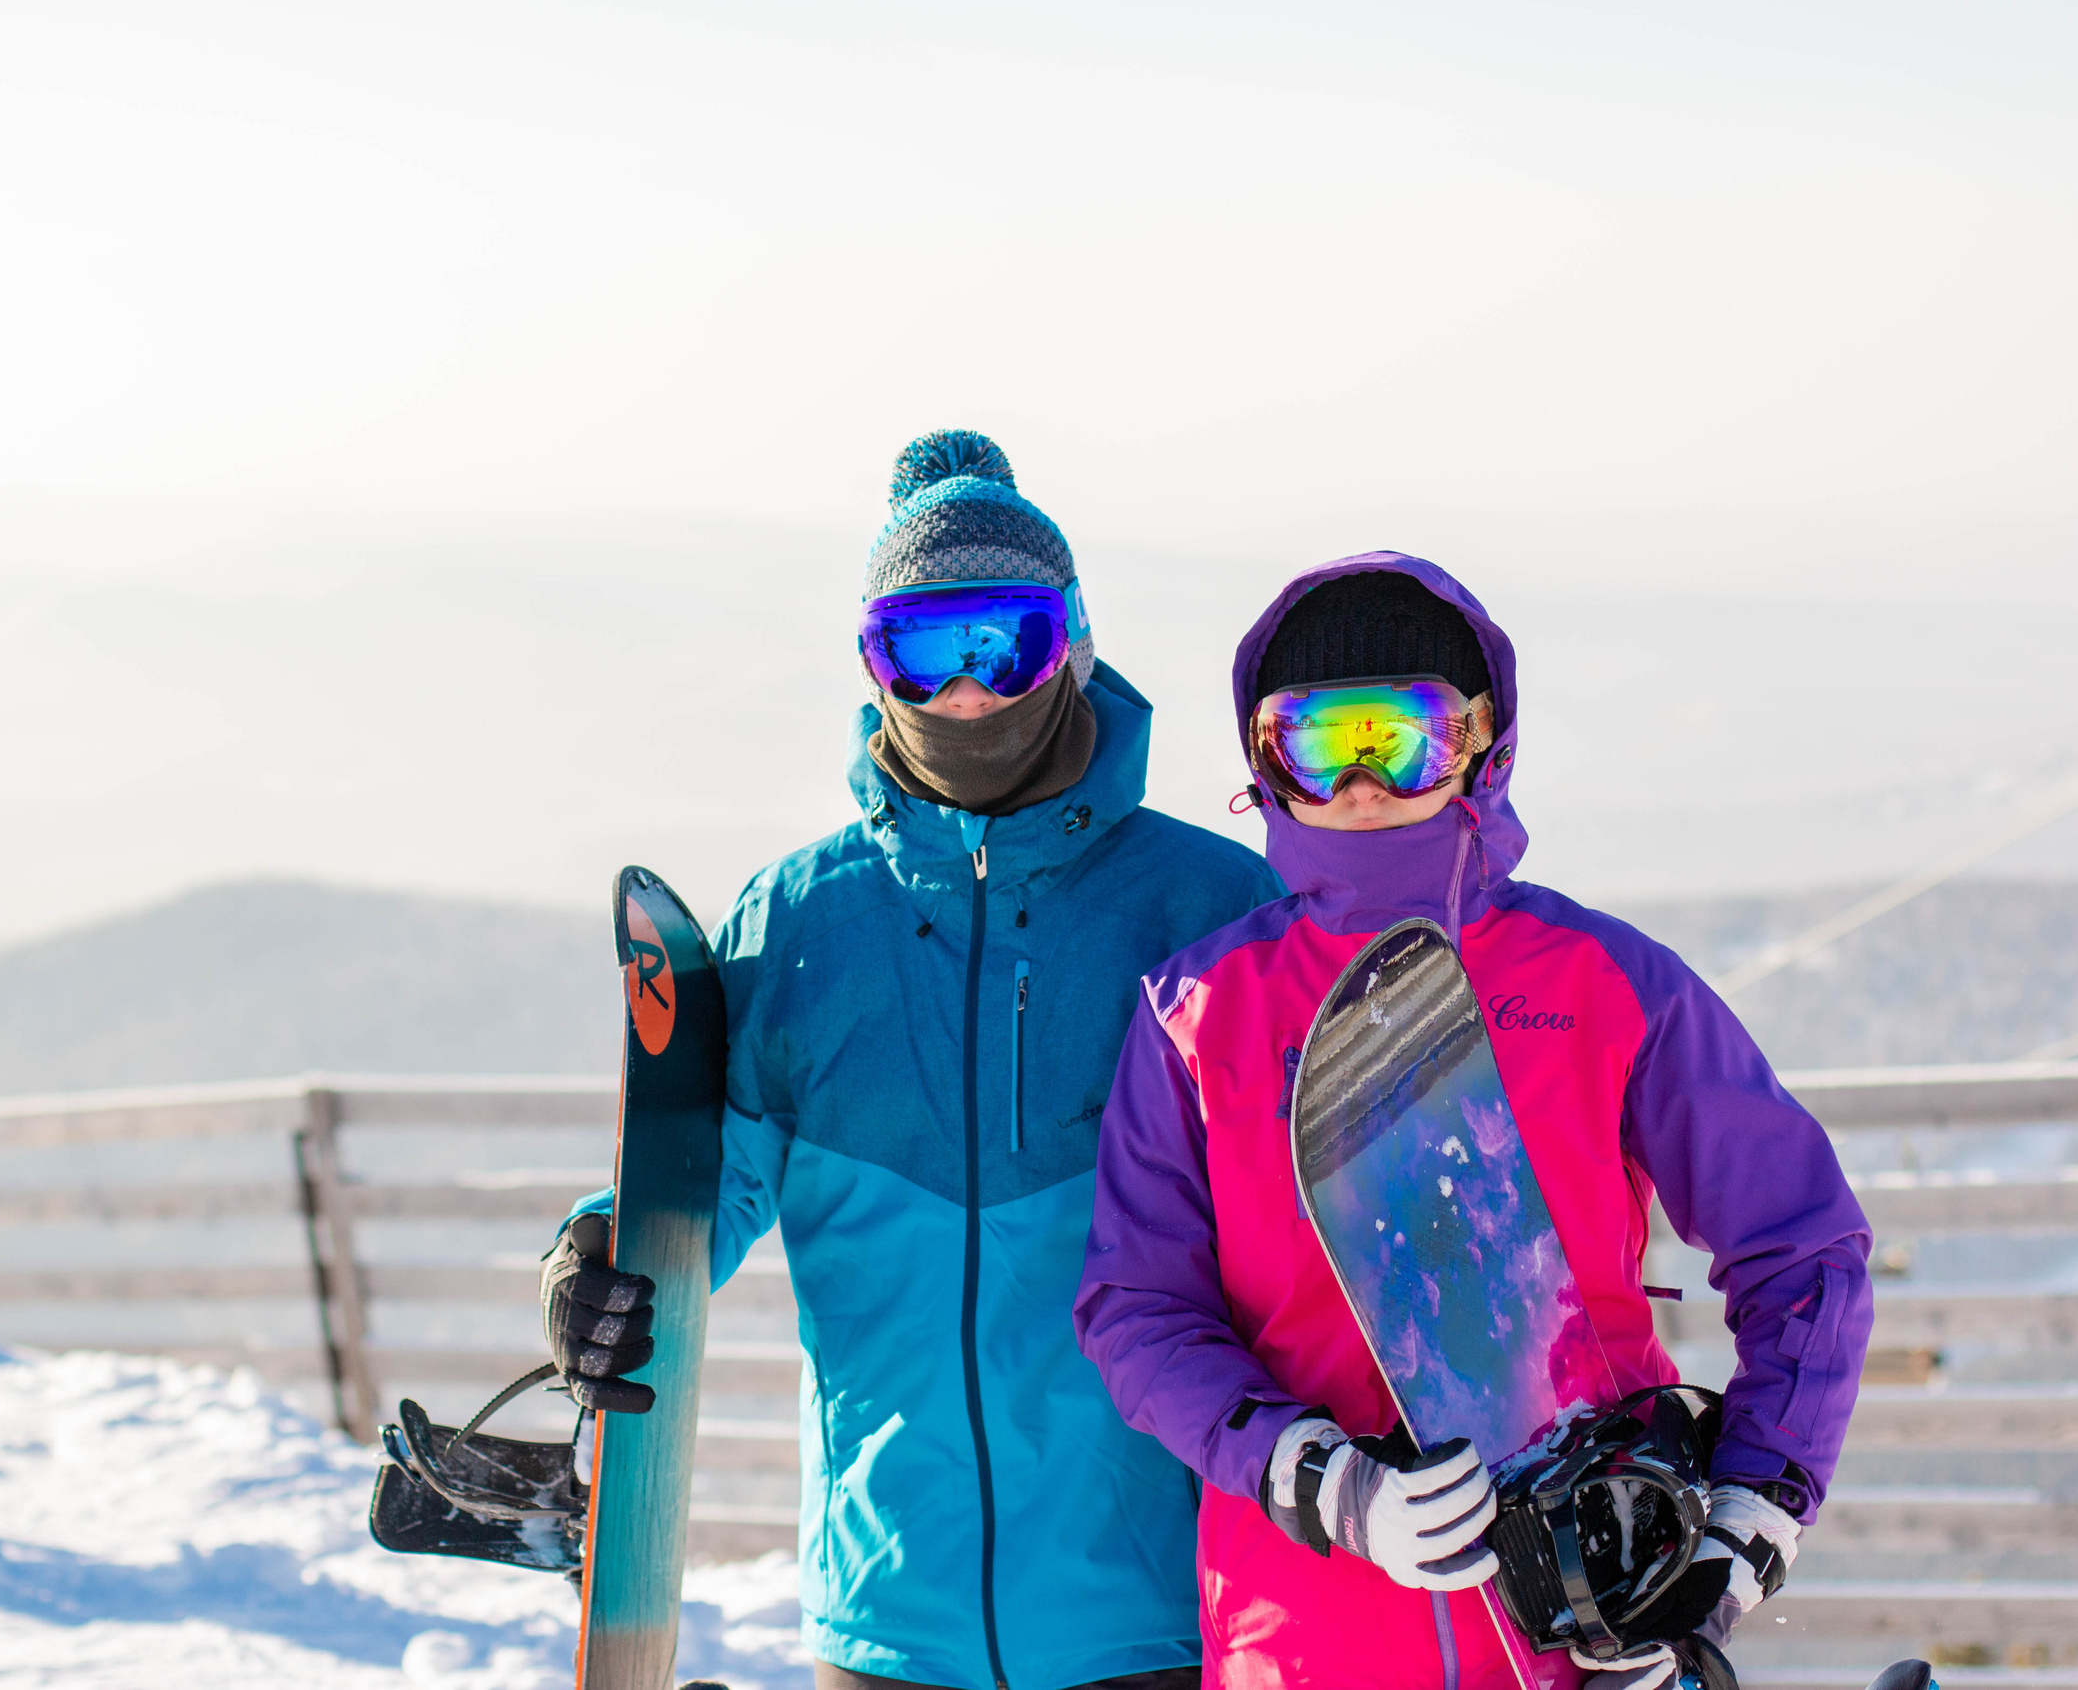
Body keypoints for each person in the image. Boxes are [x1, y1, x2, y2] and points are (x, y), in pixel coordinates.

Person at [538, 432, 1284, 1690]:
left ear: (1075, 645)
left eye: (1007, 644)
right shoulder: (799, 921)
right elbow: (703, 1181)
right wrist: (601, 1256)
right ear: (873, 665)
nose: (968, 695)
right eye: (922, 651)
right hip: (888, 1611)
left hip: (1164, 1604)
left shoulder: (1209, 908)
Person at [1071, 553, 1873, 1690]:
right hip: (1304, 1638)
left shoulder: (1601, 981)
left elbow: (1803, 1244)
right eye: (1314, 738)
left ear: (1482, 745)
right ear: (1261, 762)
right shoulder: (1200, 1016)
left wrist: (1751, 1509)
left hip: (1590, 1624)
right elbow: (1137, 1306)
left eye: (1399, 736)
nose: (1357, 781)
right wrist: (1314, 1477)